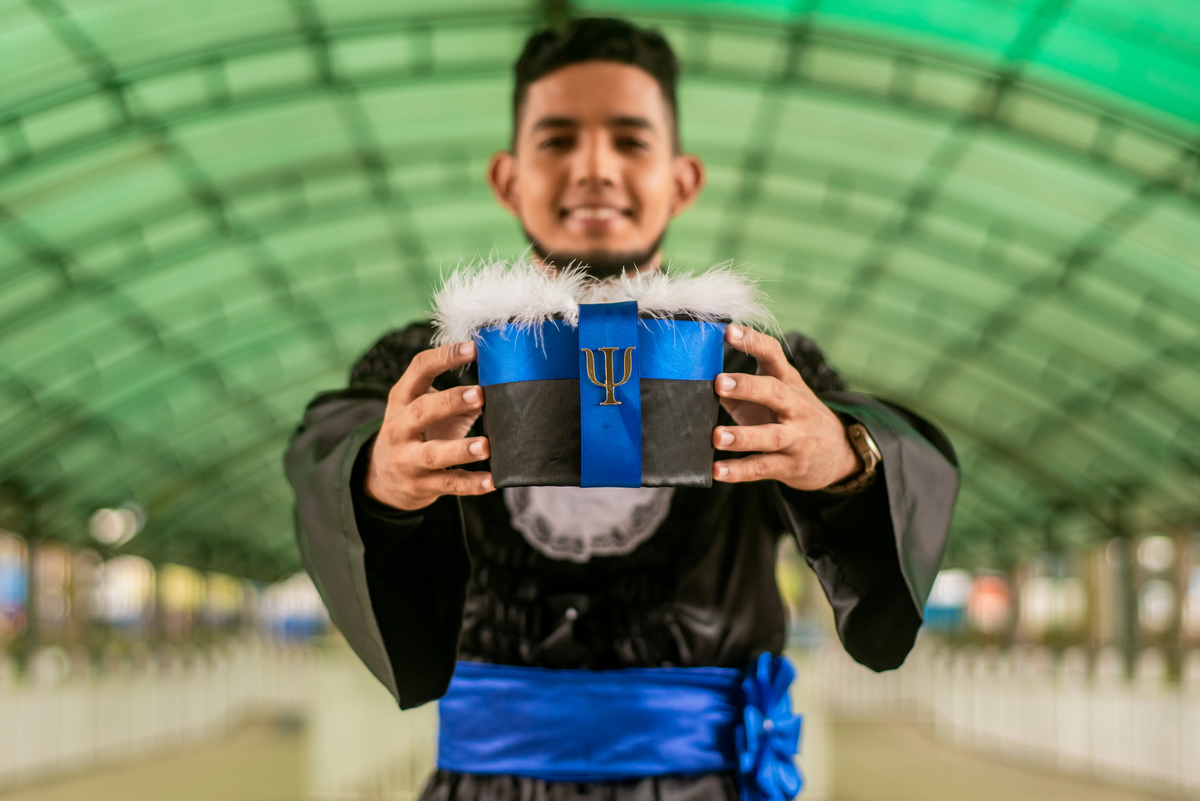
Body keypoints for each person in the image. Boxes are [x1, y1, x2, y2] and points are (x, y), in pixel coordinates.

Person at [285, 17, 959, 801]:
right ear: (508, 177)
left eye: (631, 141)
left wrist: (846, 458)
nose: (595, 168)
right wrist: (379, 476)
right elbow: (326, 449)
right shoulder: (428, 365)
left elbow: (892, 463)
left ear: (682, 179)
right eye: (558, 140)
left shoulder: (757, 362)